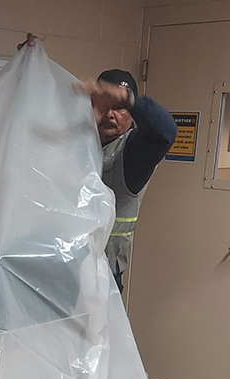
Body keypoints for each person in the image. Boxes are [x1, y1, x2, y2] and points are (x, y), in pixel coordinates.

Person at [19, 35, 178, 291]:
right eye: (104, 105)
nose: (111, 114)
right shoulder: (74, 139)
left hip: (100, 276)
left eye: (120, 108)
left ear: (132, 114)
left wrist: (126, 97)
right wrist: (30, 67)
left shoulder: (132, 152)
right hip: (52, 265)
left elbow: (165, 132)